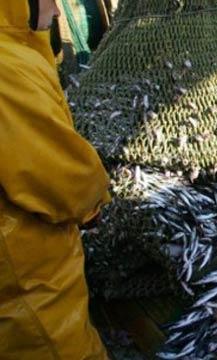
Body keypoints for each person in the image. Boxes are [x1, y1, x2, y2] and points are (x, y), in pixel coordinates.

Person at [0, 0, 111, 358]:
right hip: (23, 277)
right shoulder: (6, 70)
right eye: (50, 0)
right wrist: (92, 202)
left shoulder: (14, 51)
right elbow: (53, 171)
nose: (59, 12)